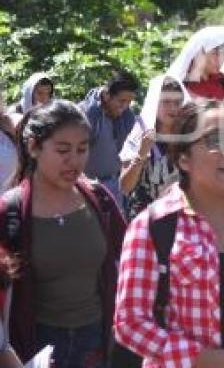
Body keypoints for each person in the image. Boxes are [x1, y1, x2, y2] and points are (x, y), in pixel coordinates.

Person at [113, 101, 224, 367]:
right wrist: (206, 359)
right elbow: (130, 323)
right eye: (214, 140)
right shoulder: (153, 226)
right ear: (184, 158)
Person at [0, 100, 126, 367]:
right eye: (62, 150)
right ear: (34, 146)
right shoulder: (10, 211)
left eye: (82, 149)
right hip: (34, 347)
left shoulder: (99, 200)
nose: (74, 161)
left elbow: (127, 260)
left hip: (98, 342)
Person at [118, 75, 187, 219]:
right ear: (154, 103)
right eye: (166, 102)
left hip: (182, 216)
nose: (173, 108)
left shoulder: (188, 136)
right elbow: (125, 187)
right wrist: (141, 155)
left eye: (178, 102)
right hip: (146, 218)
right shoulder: (139, 136)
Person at [79, 69, 140, 205]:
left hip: (116, 186)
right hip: (88, 188)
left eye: (129, 102)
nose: (124, 106)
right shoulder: (86, 115)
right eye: (121, 101)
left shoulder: (127, 116)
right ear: (107, 95)